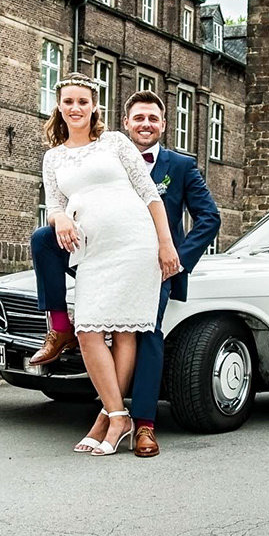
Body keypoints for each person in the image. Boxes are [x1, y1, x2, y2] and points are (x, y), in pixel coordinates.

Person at [30, 88, 221, 457]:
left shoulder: (179, 166)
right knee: (47, 248)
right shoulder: (82, 153)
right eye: (139, 118)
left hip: (150, 256)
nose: (145, 124)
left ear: (164, 125)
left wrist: (174, 257)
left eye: (153, 118)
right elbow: (56, 204)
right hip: (96, 252)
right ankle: (64, 335)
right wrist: (61, 220)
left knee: (142, 335)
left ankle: (142, 424)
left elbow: (206, 217)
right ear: (126, 121)